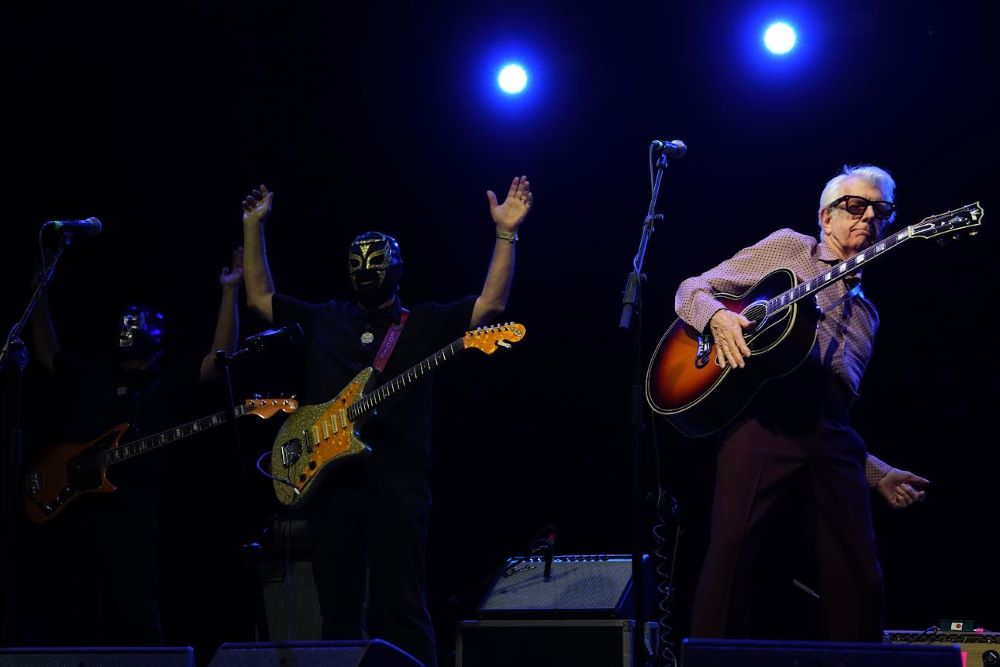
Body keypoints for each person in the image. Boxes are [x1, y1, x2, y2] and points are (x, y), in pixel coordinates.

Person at [240, 176, 532, 667]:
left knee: (402, 608)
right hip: (329, 485)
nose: (367, 269)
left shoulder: (420, 325)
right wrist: (254, 229)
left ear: (398, 268)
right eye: (358, 261)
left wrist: (506, 233)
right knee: (337, 614)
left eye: (377, 260)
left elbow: (490, 307)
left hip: (396, 482)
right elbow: (259, 297)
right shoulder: (325, 319)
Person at [675, 164, 929, 641]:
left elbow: (833, 420)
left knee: (858, 568)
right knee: (733, 551)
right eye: (855, 205)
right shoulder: (791, 249)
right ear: (825, 216)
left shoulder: (867, 317)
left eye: (881, 210)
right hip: (766, 416)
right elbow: (691, 288)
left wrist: (875, 472)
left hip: (828, 432)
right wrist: (718, 320)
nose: (868, 216)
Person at [24, 247, 244, 645]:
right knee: (76, 615)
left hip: (134, 511)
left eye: (138, 322)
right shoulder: (95, 375)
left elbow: (219, 359)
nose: (128, 327)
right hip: (75, 510)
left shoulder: (168, 381)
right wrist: (40, 292)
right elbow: (47, 354)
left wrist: (230, 291)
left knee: (136, 614)